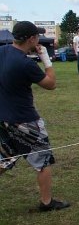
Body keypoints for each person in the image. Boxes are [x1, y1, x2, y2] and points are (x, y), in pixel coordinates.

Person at [0, 21, 71, 212]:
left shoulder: (3, 52)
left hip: (3, 117)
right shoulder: (25, 64)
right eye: (37, 36)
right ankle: (46, 202)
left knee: (4, 157)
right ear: (31, 39)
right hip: (25, 120)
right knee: (43, 160)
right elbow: (50, 84)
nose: (39, 39)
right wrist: (45, 59)